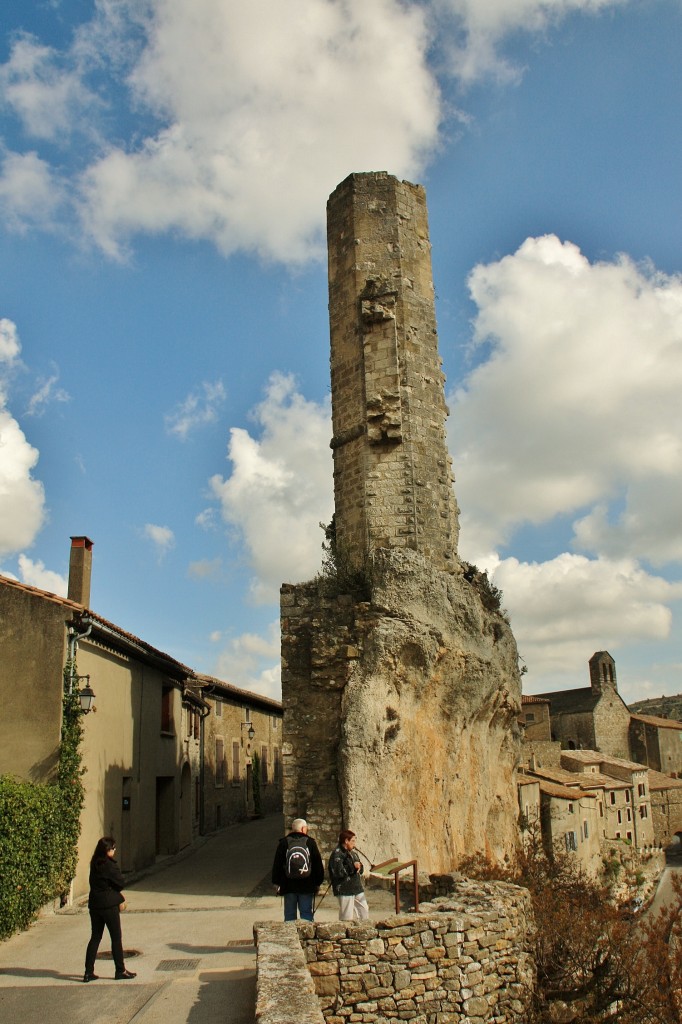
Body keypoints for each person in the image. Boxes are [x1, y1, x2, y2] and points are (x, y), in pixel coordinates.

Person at [83, 837, 136, 982]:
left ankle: (88, 972)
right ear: (107, 850)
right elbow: (120, 883)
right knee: (116, 938)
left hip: (95, 904)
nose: (114, 850)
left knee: (95, 937)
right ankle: (120, 970)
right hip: (108, 905)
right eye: (113, 848)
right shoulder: (109, 865)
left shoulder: (94, 862)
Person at [271, 817, 324, 922]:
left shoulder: (284, 843)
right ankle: (307, 932)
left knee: (289, 914)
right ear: (303, 828)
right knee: (306, 913)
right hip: (307, 884)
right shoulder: (310, 843)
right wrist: (318, 883)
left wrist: (276, 882)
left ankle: (290, 932)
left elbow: (277, 864)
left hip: (288, 885)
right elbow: (317, 864)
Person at [328, 829, 369, 921]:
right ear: (346, 841)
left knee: (364, 910)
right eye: (353, 841)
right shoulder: (337, 854)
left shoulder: (353, 853)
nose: (354, 844)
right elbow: (338, 872)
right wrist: (353, 867)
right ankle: (345, 930)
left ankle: (364, 928)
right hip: (344, 888)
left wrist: (359, 867)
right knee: (347, 916)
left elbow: (360, 869)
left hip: (356, 887)